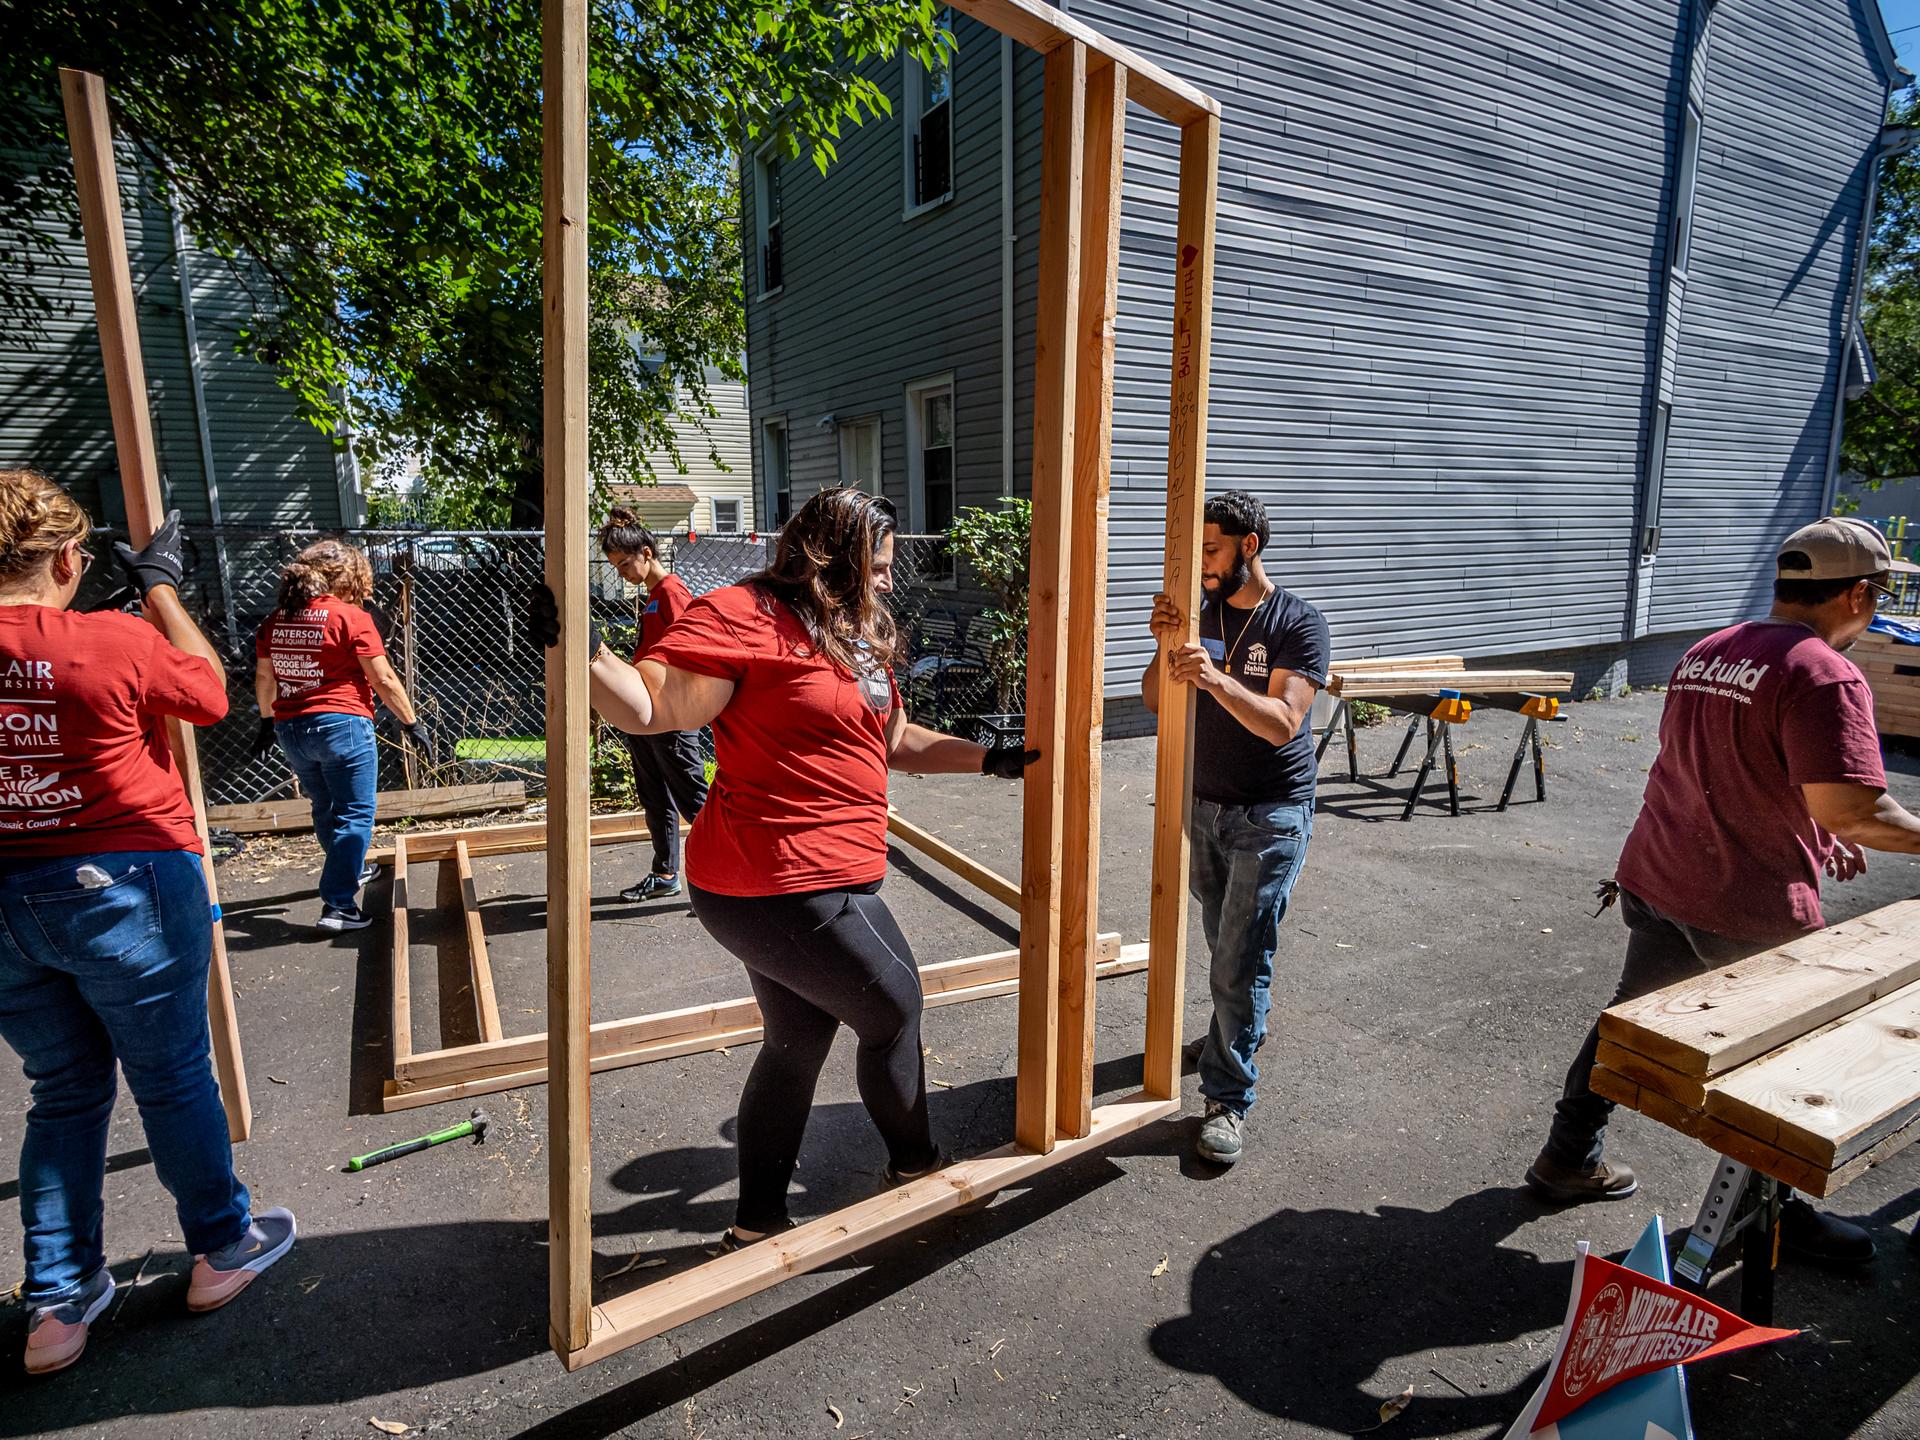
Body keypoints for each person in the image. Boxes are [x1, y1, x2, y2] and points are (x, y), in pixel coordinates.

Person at [533, 487, 1036, 1247]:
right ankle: (917, 1167)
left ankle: (756, 1221)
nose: (890, 582)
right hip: (773, 879)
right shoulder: (744, 614)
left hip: (824, 873)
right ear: (831, 561)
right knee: (894, 1008)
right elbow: (651, 706)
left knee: (797, 1038)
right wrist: (578, 649)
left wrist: (993, 759)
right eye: (879, 566)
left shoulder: (854, 633)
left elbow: (894, 739)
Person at [1526, 516, 1920, 1263]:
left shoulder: (1714, 648)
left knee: (1627, 1022)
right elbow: (1858, 807)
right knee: (1784, 1071)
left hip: (1661, 871)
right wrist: (1848, 821)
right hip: (1745, 902)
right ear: (1861, 596)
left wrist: (1823, 824)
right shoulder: (1823, 673)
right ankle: (1770, 1216)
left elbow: (1735, 764)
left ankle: (1566, 1157)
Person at [0, 469, 295, 1375]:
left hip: (6, 897)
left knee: (63, 1090)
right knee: (170, 1077)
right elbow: (209, 693)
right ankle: (220, 1247)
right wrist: (161, 585)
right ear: (65, 558)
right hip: (120, 875)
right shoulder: (108, 637)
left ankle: (56, 1301)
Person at [1141, 490, 1330, 1167]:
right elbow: (1153, 696)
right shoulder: (1204, 613)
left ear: (1248, 546)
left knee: (1238, 957)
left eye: (1212, 550)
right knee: (1222, 939)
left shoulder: (1297, 623)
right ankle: (1233, 1030)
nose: (1202, 564)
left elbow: (1283, 722)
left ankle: (1227, 1098)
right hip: (1207, 805)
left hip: (1270, 813)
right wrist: (1169, 646)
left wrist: (1215, 680)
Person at [254, 539, 429, 931]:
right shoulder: (350, 618)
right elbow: (382, 677)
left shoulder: (276, 620)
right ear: (345, 578)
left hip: (291, 727)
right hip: (342, 723)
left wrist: (267, 721)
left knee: (325, 806)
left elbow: (266, 676)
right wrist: (411, 722)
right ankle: (338, 905)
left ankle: (350, 871)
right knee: (355, 812)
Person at [598, 507, 708, 901]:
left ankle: (726, 881)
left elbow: (692, 652)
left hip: (673, 716)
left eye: (625, 562)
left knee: (695, 800)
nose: (621, 572)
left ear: (648, 552)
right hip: (648, 717)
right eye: (615, 566)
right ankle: (665, 874)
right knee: (654, 795)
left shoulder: (672, 593)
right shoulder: (653, 597)